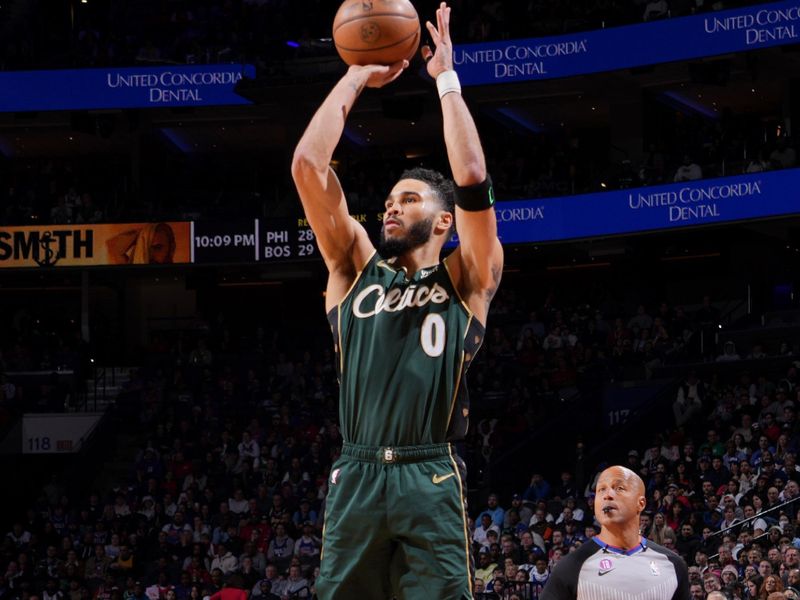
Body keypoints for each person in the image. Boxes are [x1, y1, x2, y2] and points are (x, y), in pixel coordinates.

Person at [290, 2, 503, 598]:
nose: (391, 206)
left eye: (408, 199)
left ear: (442, 223)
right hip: (355, 469)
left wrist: (446, 81)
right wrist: (358, 71)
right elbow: (307, 165)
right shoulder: (353, 267)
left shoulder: (467, 278)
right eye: (389, 198)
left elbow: (470, 174)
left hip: (429, 471)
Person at [541, 466, 690, 600]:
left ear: (641, 503)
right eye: (601, 490)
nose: (608, 495)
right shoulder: (572, 566)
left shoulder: (672, 564)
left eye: (619, 488)